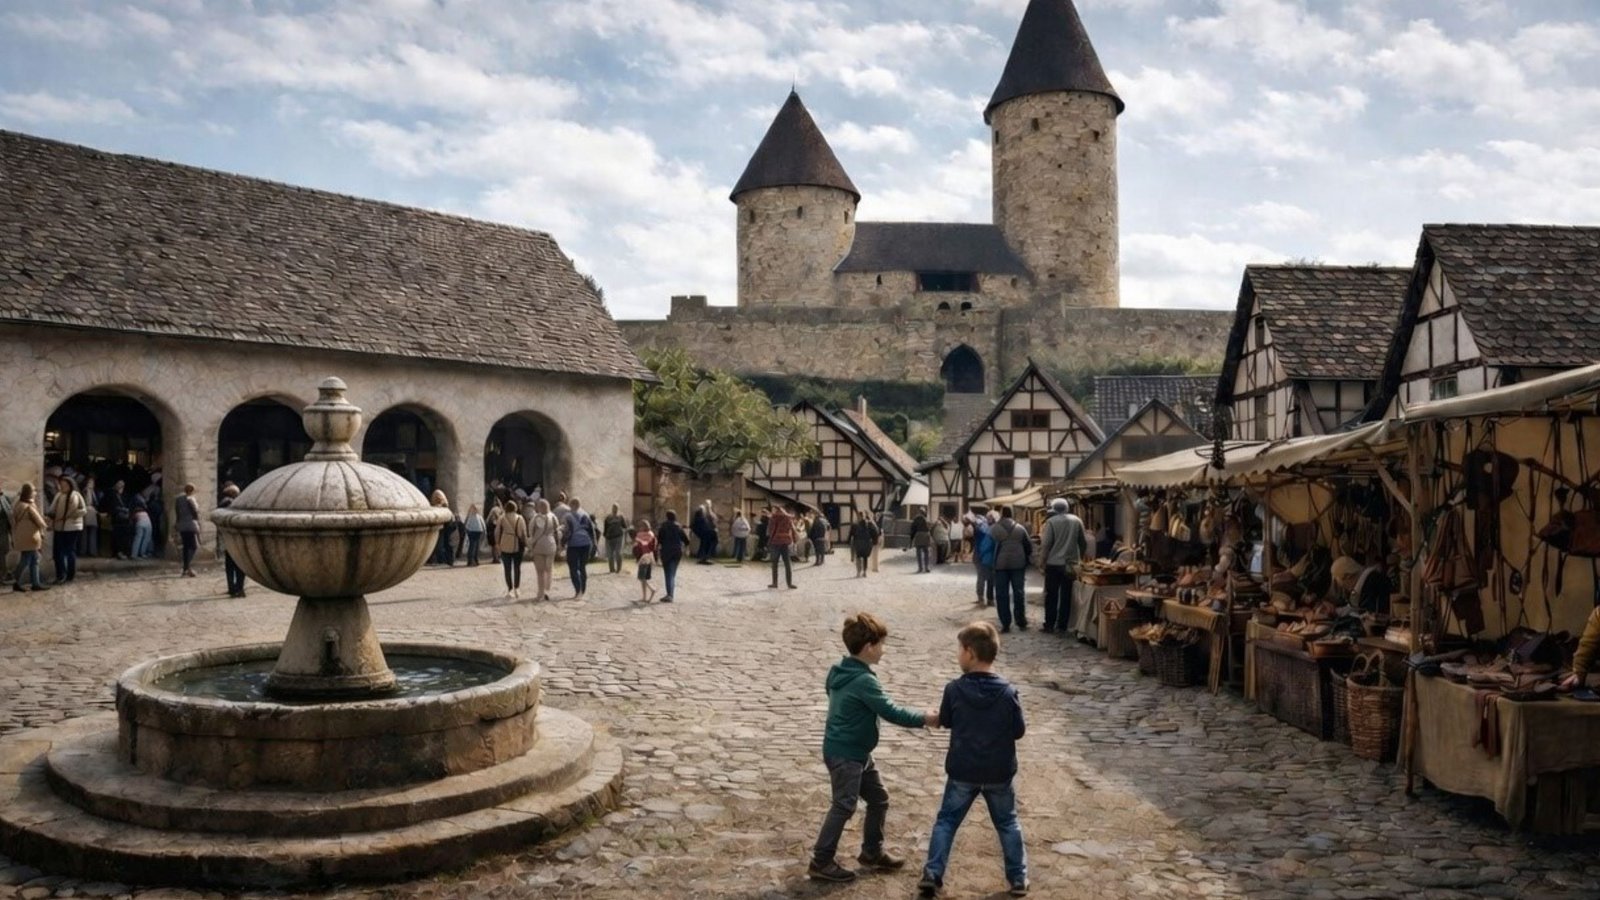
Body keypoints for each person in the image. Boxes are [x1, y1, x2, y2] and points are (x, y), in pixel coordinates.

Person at [808, 612, 936, 883]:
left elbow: (834, 695)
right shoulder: (865, 681)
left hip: (856, 752)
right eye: (881, 645)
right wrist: (926, 718)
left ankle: (872, 852)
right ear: (869, 648)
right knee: (843, 805)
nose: (884, 650)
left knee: (879, 798)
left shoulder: (839, 671)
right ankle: (821, 861)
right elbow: (891, 711)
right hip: (847, 754)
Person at [917, 621, 1029, 898]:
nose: (957, 655)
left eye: (959, 649)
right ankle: (1018, 879)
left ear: (970, 652)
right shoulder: (1008, 692)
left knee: (946, 821)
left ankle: (933, 873)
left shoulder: (954, 689)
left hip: (963, 769)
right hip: (998, 771)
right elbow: (1018, 731)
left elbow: (947, 720)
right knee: (1007, 823)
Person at [1038, 498, 1088, 635]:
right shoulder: (1077, 520)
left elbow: (1046, 545)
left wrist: (1042, 563)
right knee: (1066, 596)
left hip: (1053, 564)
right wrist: (1079, 558)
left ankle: (1049, 625)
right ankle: (1062, 626)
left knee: (1051, 596)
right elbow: (1083, 543)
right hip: (1071, 565)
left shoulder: (1051, 522)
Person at [991, 507, 1032, 633]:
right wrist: (1025, 558)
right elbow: (1028, 546)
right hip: (1018, 564)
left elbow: (990, 546)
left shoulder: (995, 528)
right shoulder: (1020, 528)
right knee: (1018, 592)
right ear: (1012, 514)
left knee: (1001, 594)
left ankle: (1005, 623)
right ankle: (1021, 621)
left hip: (1000, 565)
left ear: (1002, 514)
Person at [10, 483, 49, 593]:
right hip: (31, 538)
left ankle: (35, 583)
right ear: (30, 493)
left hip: (22, 537)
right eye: (34, 491)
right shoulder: (28, 506)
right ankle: (15, 579)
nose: (36, 493)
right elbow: (40, 522)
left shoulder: (18, 504)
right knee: (26, 560)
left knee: (34, 560)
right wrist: (47, 524)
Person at [49, 474, 85, 584]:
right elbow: (52, 510)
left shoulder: (76, 495)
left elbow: (83, 510)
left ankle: (69, 574)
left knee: (70, 551)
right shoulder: (59, 495)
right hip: (59, 527)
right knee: (58, 553)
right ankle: (61, 574)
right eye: (61, 484)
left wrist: (73, 515)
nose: (62, 486)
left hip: (72, 527)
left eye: (65, 484)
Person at [527, 499, 561, 602]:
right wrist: (559, 545)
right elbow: (557, 533)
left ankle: (540, 592)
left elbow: (531, 531)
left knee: (540, 571)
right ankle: (547, 590)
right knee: (549, 569)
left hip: (539, 545)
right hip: (550, 544)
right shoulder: (554, 517)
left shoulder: (535, 518)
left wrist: (531, 544)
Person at [564, 497, 596, 600]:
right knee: (582, 567)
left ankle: (578, 590)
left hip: (574, 544)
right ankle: (583, 589)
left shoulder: (568, 516)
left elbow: (567, 531)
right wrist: (594, 543)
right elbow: (592, 530)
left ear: (572, 505)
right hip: (586, 544)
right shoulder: (585, 514)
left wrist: (562, 543)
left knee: (573, 568)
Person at [218, 484, 247, 597]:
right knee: (239, 565)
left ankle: (232, 588)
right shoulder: (233, 504)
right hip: (235, 538)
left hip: (227, 538)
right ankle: (238, 588)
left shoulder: (223, 503)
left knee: (230, 565)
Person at [496, 499, 527, 599]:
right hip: (517, 544)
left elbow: (497, 532)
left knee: (507, 569)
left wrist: (497, 543)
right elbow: (523, 533)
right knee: (517, 568)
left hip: (505, 543)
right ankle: (517, 588)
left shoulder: (501, 518)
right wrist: (526, 543)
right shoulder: (520, 518)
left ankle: (509, 589)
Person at [656, 509, 687, 603]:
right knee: (672, 573)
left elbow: (659, 540)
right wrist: (682, 546)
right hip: (677, 552)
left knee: (668, 573)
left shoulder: (663, 527)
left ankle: (670, 594)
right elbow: (686, 540)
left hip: (666, 552)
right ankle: (670, 594)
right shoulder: (679, 527)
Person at [175, 483, 202, 578]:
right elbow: (196, 511)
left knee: (186, 547)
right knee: (194, 546)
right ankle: (186, 567)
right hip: (190, 524)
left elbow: (177, 512)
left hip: (182, 524)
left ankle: (187, 568)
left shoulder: (178, 499)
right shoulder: (191, 499)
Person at [768, 505, 797, 589]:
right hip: (785, 542)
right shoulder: (788, 518)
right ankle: (789, 583)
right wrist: (794, 541)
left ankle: (775, 583)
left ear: (776, 510)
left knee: (775, 563)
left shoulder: (773, 518)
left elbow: (772, 530)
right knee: (787, 563)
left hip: (776, 541)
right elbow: (792, 529)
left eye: (773, 509)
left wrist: (770, 541)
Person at [633, 518, 659, 603]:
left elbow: (636, 546)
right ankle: (644, 597)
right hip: (650, 557)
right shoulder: (651, 534)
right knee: (643, 578)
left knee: (641, 577)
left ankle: (652, 590)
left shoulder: (640, 535)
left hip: (643, 557)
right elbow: (654, 546)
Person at [974, 512, 997, 607]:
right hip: (987, 558)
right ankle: (988, 599)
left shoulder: (983, 530)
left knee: (982, 578)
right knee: (989, 579)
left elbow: (984, 545)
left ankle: (982, 598)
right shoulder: (990, 530)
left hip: (983, 557)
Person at [429, 490, 456, 567]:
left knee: (446, 544)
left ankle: (447, 560)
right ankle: (445, 560)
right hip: (445, 526)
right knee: (444, 544)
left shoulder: (443, 508)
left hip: (447, 526)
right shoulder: (444, 508)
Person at [849, 510, 879, 578]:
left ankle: (858, 572)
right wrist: (874, 542)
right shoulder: (869, 523)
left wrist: (850, 543)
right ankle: (865, 572)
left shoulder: (855, 524)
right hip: (867, 543)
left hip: (858, 543)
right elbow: (875, 532)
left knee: (858, 557)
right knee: (865, 558)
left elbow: (851, 534)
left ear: (858, 516)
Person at [107, 480, 131, 560]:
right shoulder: (113, 495)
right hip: (117, 519)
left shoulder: (123, 496)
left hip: (123, 520)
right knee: (117, 537)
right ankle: (117, 552)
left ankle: (122, 552)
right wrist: (124, 510)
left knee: (123, 537)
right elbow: (113, 507)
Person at [603, 504, 628, 574]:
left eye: (616, 508)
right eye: (614, 507)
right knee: (610, 554)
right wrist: (605, 535)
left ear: (618, 509)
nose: (615, 509)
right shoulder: (608, 517)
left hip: (618, 537)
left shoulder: (620, 517)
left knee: (618, 553)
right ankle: (611, 569)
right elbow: (605, 527)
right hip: (609, 537)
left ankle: (618, 569)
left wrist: (623, 531)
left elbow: (625, 526)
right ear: (612, 508)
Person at [80, 476, 99, 559]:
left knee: (88, 532)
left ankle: (87, 550)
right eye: (91, 482)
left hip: (90, 512)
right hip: (88, 511)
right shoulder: (87, 491)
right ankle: (89, 551)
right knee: (88, 532)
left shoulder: (90, 491)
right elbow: (88, 502)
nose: (92, 484)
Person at [130, 495, 154, 559]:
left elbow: (132, 521)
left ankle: (134, 554)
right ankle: (142, 553)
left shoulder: (135, 513)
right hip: (148, 523)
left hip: (139, 523)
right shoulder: (145, 512)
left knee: (137, 539)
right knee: (146, 539)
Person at [0, 478, 13, 586]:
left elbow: (10, 514)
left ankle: (3, 575)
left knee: (3, 553)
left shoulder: (5, 498)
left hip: (3, 530)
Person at [486, 499, 504, 565]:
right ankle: (496, 558)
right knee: (496, 544)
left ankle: (495, 558)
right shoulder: (497, 510)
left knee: (493, 545)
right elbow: (499, 518)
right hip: (495, 528)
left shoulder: (492, 510)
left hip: (490, 528)